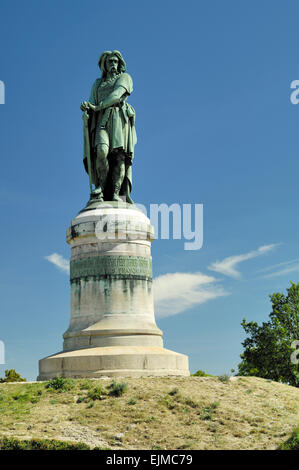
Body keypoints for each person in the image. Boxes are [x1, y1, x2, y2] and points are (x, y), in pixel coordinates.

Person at [81, 50, 137, 203]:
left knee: (119, 157)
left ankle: (116, 192)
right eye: (110, 62)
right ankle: (101, 186)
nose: (113, 64)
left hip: (119, 120)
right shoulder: (97, 84)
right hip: (101, 122)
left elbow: (117, 94)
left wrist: (97, 107)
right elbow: (91, 101)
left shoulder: (125, 78)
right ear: (104, 65)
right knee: (101, 151)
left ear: (119, 64)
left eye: (115, 61)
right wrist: (87, 109)